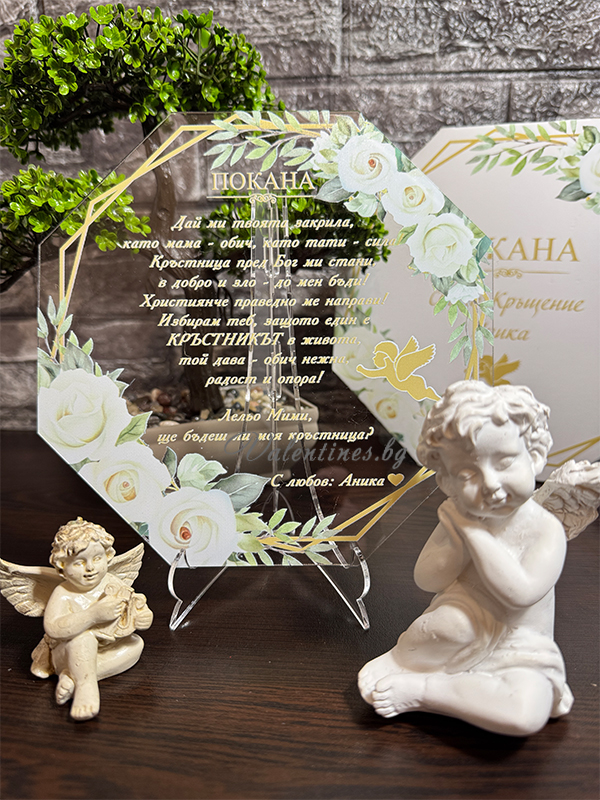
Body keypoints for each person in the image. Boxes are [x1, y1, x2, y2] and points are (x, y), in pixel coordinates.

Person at [358, 381, 573, 736]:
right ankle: (405, 661)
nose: (490, 483)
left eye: (505, 461)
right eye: (467, 474)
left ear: (534, 455)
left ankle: (425, 691)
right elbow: (427, 579)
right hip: (457, 627)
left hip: (520, 645)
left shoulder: (545, 529)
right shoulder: (459, 516)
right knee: (450, 625)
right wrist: (457, 541)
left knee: (523, 716)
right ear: (448, 483)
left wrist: (471, 532)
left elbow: (520, 593)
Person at [37, 518, 153, 721]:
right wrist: (92, 615)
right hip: (68, 650)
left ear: (107, 557)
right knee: (84, 639)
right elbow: (53, 628)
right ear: (62, 565)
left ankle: (72, 677)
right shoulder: (63, 593)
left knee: (136, 644)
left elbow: (134, 606)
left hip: (104, 649)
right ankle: (85, 688)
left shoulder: (111, 582)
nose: (90, 568)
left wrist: (143, 617)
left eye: (97, 558)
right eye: (79, 563)